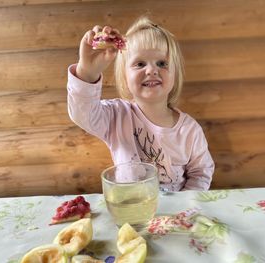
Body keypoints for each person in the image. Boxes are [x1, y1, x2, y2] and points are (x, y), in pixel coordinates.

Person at [67, 16, 214, 191]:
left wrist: (182, 208)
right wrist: (87, 72)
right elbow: (82, 114)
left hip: (175, 215)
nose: (151, 70)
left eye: (162, 63)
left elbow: (201, 174)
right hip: (131, 210)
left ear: (175, 73)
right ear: (125, 76)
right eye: (140, 64)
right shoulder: (116, 116)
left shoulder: (190, 130)